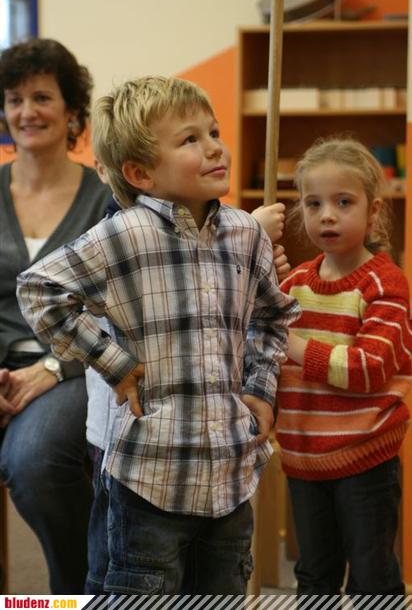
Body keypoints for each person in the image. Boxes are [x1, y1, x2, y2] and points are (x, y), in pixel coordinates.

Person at [16, 75, 300, 595]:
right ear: (140, 173)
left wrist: (261, 388)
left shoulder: (246, 233)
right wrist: (114, 363)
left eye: (213, 132)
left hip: (229, 476)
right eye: (190, 139)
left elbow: (272, 316)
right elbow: (40, 290)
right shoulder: (124, 234)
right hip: (148, 479)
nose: (214, 146)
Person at [276, 136, 411, 600]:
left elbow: (367, 369)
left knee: (372, 580)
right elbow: (260, 344)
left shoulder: (385, 284)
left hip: (364, 458)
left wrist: (292, 344)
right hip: (304, 458)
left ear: (373, 211)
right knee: (314, 576)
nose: (327, 215)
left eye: (343, 202)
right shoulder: (293, 284)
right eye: (313, 203)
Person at [0, 38, 112, 593]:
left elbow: (120, 310)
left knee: (36, 460)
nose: (27, 112)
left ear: (72, 112)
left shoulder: (105, 199)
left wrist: (52, 367)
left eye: (42, 97)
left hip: (74, 369)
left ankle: (78, 594)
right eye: (14, 99)